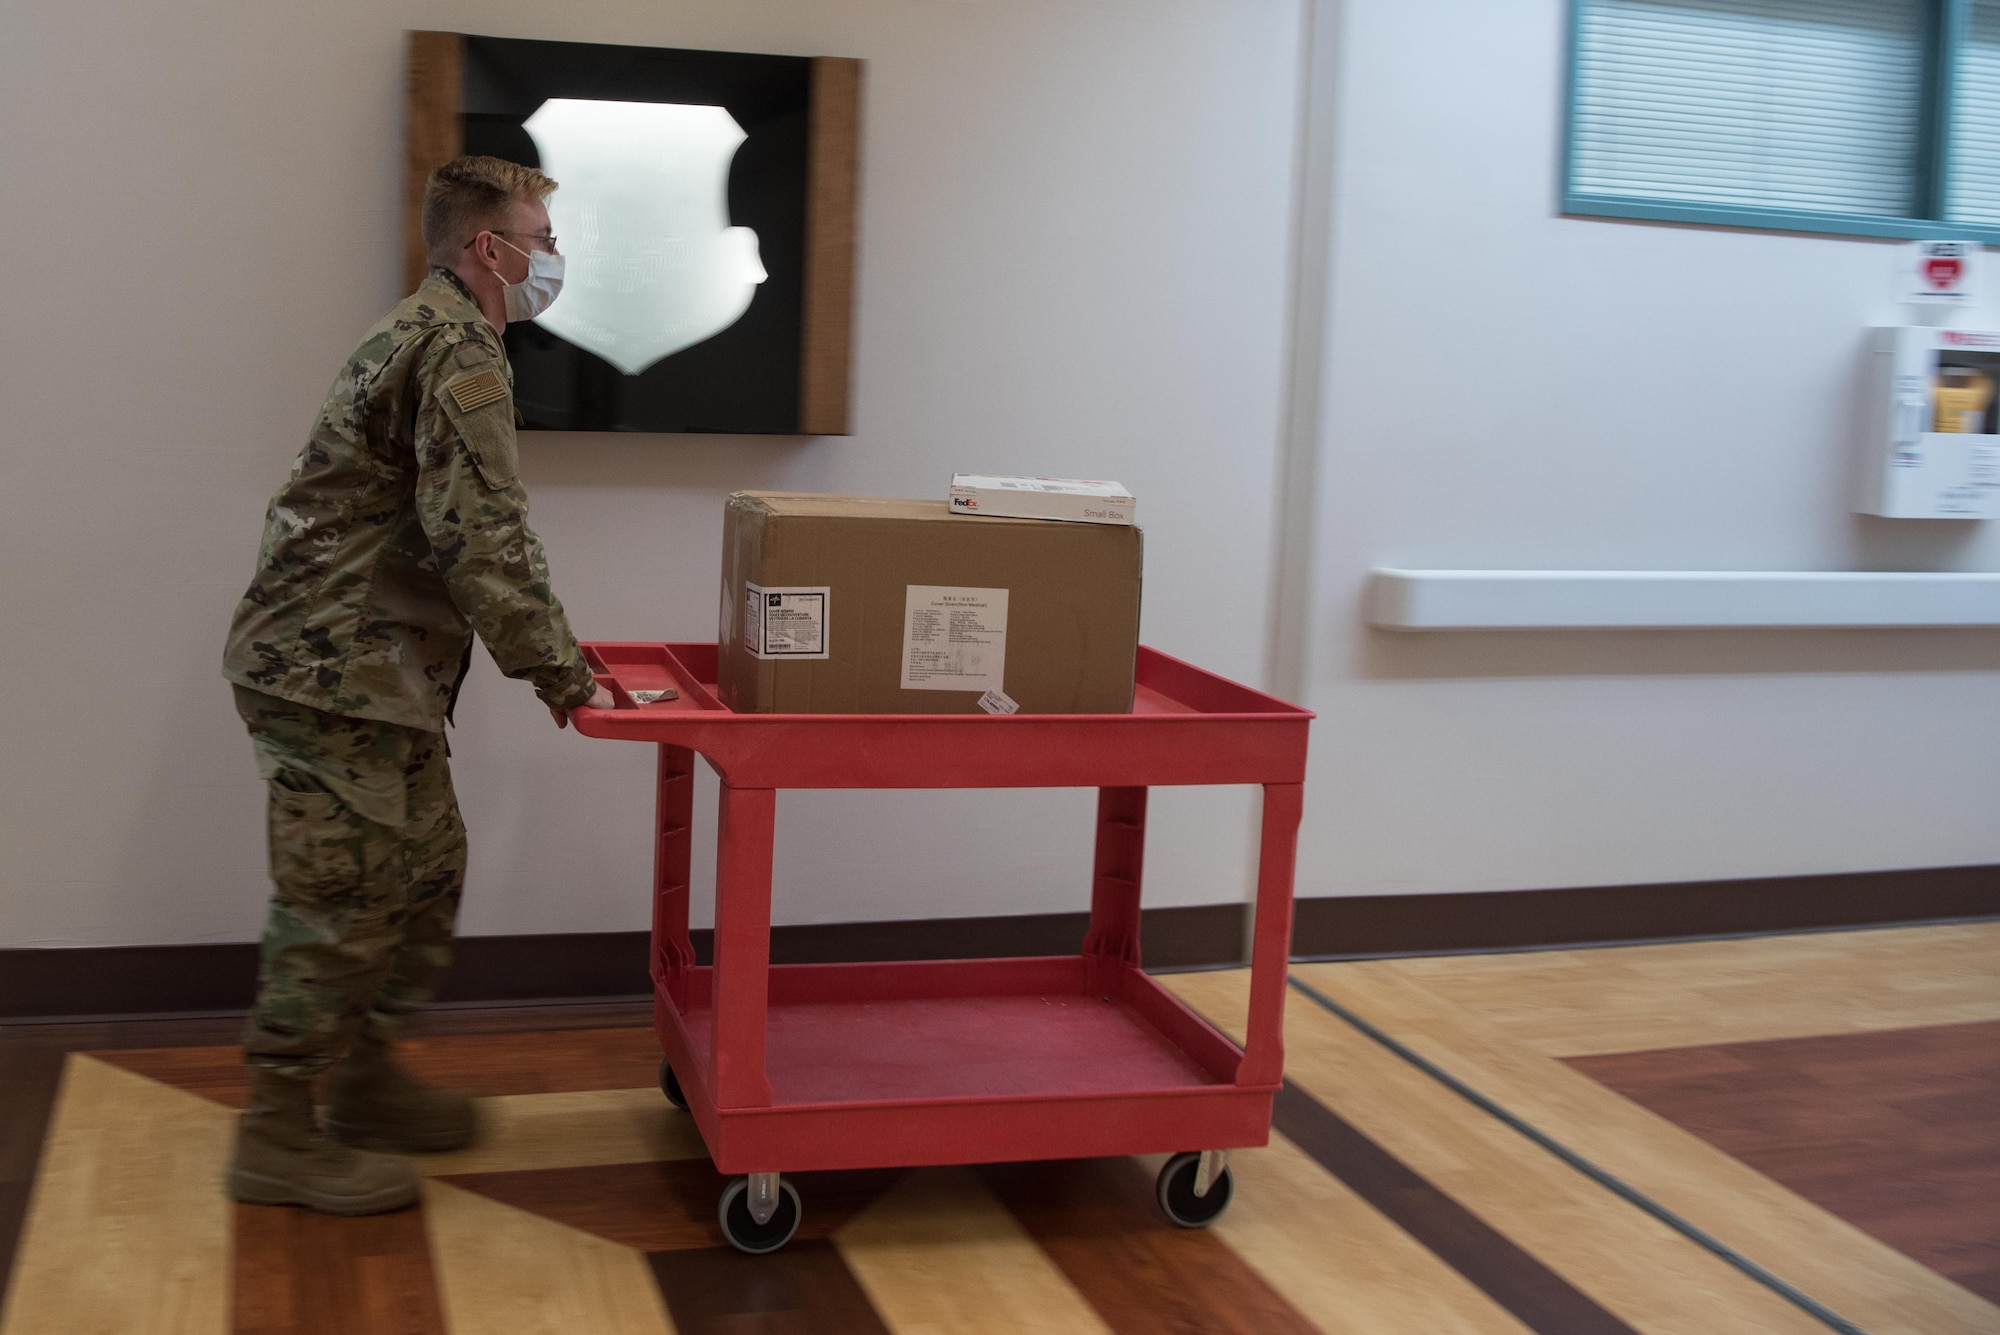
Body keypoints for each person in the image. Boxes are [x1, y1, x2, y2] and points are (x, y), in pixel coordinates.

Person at [220, 155, 613, 1214]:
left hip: (368, 668)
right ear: (491, 248)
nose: (553, 258)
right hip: (329, 667)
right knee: (344, 899)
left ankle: (362, 1085)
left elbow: (464, 538)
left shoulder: (436, 330)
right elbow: (481, 536)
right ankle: (276, 1134)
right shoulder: (455, 349)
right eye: (543, 237)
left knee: (426, 873)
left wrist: (560, 660)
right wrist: (565, 676)